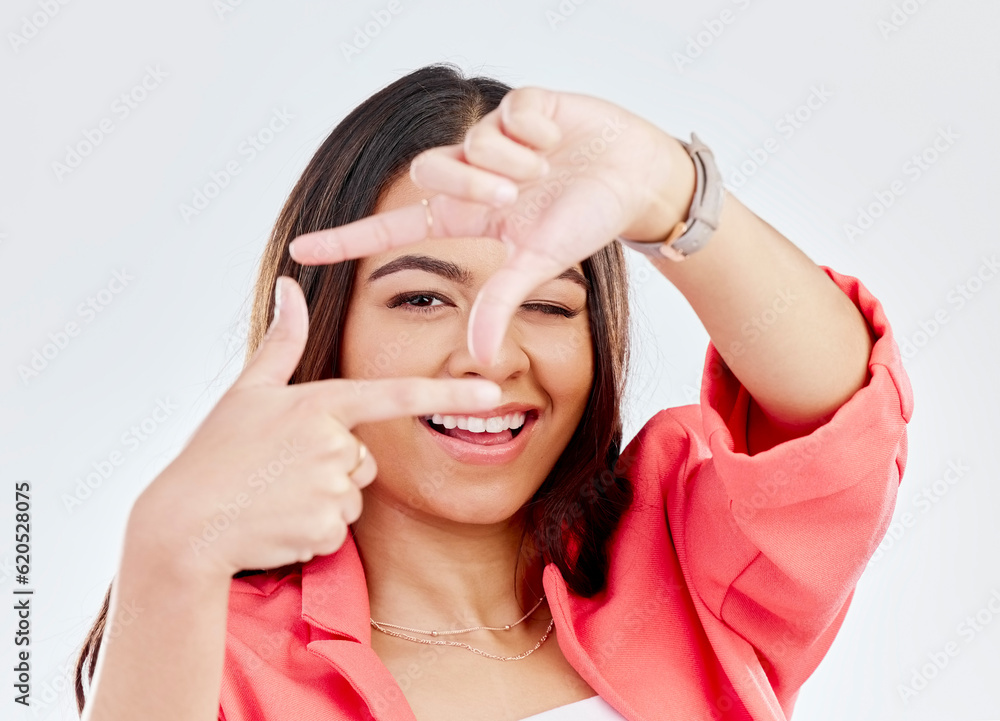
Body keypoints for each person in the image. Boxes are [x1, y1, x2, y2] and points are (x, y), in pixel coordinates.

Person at [74, 63, 912, 721]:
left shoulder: (681, 557)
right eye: (421, 297)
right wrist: (165, 553)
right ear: (329, 332)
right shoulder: (225, 660)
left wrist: (668, 192)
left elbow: (841, 424)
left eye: (545, 302)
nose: (491, 353)